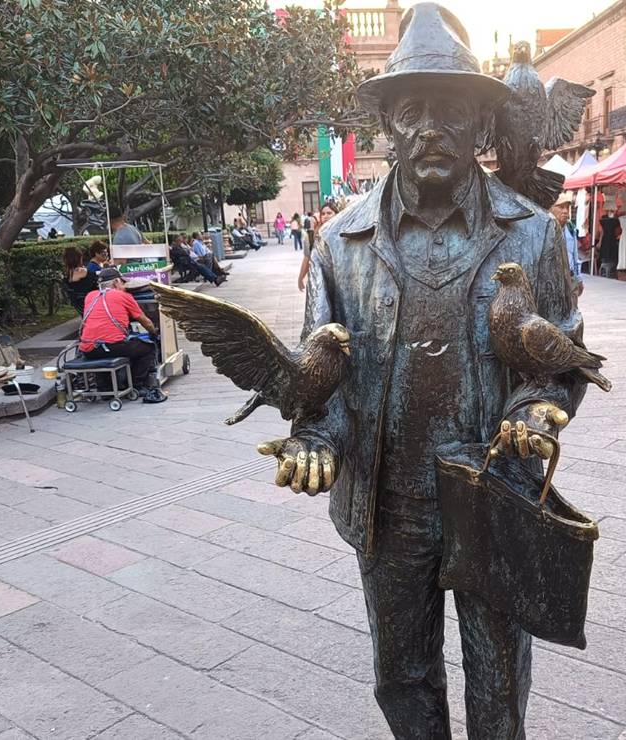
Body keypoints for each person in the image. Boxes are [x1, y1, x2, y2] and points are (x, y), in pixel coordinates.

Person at [257, 5, 585, 735]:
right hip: (388, 504)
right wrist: (317, 439)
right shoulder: (340, 243)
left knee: (499, 679)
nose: (430, 128)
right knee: (400, 676)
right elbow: (322, 371)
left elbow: (559, 354)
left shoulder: (534, 235)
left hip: (494, 493)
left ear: (481, 123)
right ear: (387, 127)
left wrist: (535, 411)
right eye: (411, 112)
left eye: (452, 111)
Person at [79, 267, 166, 403]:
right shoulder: (123, 296)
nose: (124, 286)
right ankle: (136, 385)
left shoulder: (90, 296)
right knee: (147, 348)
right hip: (112, 346)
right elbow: (145, 321)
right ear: (116, 282)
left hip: (88, 348)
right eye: (122, 283)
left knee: (109, 348)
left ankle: (105, 388)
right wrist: (154, 332)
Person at [297, 202, 337, 292]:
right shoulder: (313, 236)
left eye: (329, 213)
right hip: (322, 279)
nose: (326, 216)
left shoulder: (343, 233)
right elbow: (307, 258)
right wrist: (301, 277)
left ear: (336, 214)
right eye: (323, 214)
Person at [550, 191, 583, 295]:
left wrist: (579, 278)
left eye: (567, 207)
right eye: (561, 207)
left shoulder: (570, 228)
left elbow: (575, 255)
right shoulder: (547, 230)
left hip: (570, 278)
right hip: (553, 280)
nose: (565, 211)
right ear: (551, 209)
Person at [62, 246, 98, 315]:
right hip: (95, 306)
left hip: (82, 310)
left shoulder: (66, 279)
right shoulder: (89, 274)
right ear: (80, 258)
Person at [598, 207, 620, 276]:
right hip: (609, 239)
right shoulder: (604, 220)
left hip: (609, 239)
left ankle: (608, 268)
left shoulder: (613, 220)